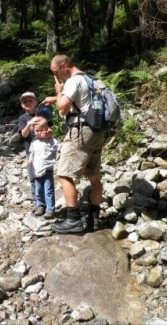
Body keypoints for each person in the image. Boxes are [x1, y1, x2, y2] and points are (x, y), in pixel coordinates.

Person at [47, 54, 107, 234]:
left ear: (65, 66)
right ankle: (93, 219)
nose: (57, 76)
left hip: (81, 131)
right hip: (98, 130)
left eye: (56, 72)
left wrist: (59, 90)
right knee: (94, 175)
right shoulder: (92, 80)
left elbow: (62, 108)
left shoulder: (73, 81)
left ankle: (73, 219)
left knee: (64, 173)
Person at [17, 92, 53, 207]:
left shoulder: (43, 114)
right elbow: (23, 134)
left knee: (47, 178)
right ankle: (37, 203)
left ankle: (49, 205)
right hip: (31, 153)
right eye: (25, 102)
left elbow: (51, 130)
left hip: (45, 152)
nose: (28, 103)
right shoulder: (23, 118)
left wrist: (47, 132)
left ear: (36, 102)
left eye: (30, 100)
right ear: (22, 105)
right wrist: (29, 124)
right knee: (34, 178)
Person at [28, 117, 59, 219]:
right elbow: (31, 153)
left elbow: (59, 147)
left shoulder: (51, 140)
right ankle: (41, 205)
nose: (39, 133)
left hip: (47, 169)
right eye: (37, 131)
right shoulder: (34, 141)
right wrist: (29, 161)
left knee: (48, 190)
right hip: (36, 170)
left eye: (42, 130)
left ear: (47, 130)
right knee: (38, 189)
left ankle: (50, 209)